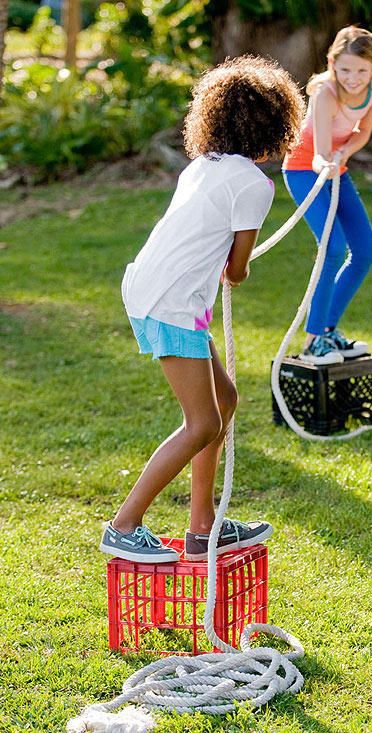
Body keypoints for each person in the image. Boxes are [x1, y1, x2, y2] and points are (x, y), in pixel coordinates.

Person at [100, 56, 305, 563]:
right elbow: (235, 272)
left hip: (151, 289)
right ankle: (124, 525)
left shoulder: (202, 167)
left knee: (225, 399)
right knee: (203, 424)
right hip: (173, 302)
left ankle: (202, 526)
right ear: (278, 124)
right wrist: (237, 264)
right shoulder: (255, 185)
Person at [283, 26, 372, 365]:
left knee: (365, 251)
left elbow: (361, 135)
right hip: (304, 170)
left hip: (336, 168)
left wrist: (343, 155)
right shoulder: (325, 93)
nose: (353, 78)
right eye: (344, 69)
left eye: (360, 70)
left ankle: (328, 330)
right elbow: (319, 149)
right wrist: (325, 159)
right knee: (332, 248)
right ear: (332, 63)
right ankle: (314, 339)